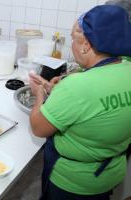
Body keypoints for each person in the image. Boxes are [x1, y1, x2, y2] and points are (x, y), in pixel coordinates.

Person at [28, 5, 131, 200]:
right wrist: (60, 90)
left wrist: (39, 94)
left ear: (86, 45)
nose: (72, 45)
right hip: (109, 172)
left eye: (73, 39)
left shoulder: (77, 86)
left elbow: (38, 128)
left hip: (73, 184)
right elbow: (96, 106)